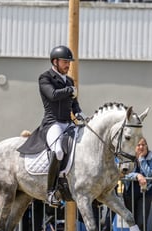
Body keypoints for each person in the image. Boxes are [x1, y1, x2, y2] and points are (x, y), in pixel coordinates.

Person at [38, 45, 86, 207]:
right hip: (53, 123)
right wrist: (69, 90)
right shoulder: (45, 78)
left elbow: (74, 104)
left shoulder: (70, 81)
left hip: (68, 123)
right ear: (55, 61)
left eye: (69, 62)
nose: (68, 65)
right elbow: (52, 95)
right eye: (65, 62)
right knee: (58, 150)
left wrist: (79, 113)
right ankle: (50, 191)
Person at [122, 137, 152, 231]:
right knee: (132, 221)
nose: (141, 147)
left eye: (143, 144)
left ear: (147, 146)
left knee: (141, 221)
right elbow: (124, 174)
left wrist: (142, 159)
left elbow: (149, 174)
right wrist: (137, 175)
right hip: (130, 191)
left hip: (146, 191)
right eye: (138, 145)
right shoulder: (127, 157)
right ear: (134, 147)